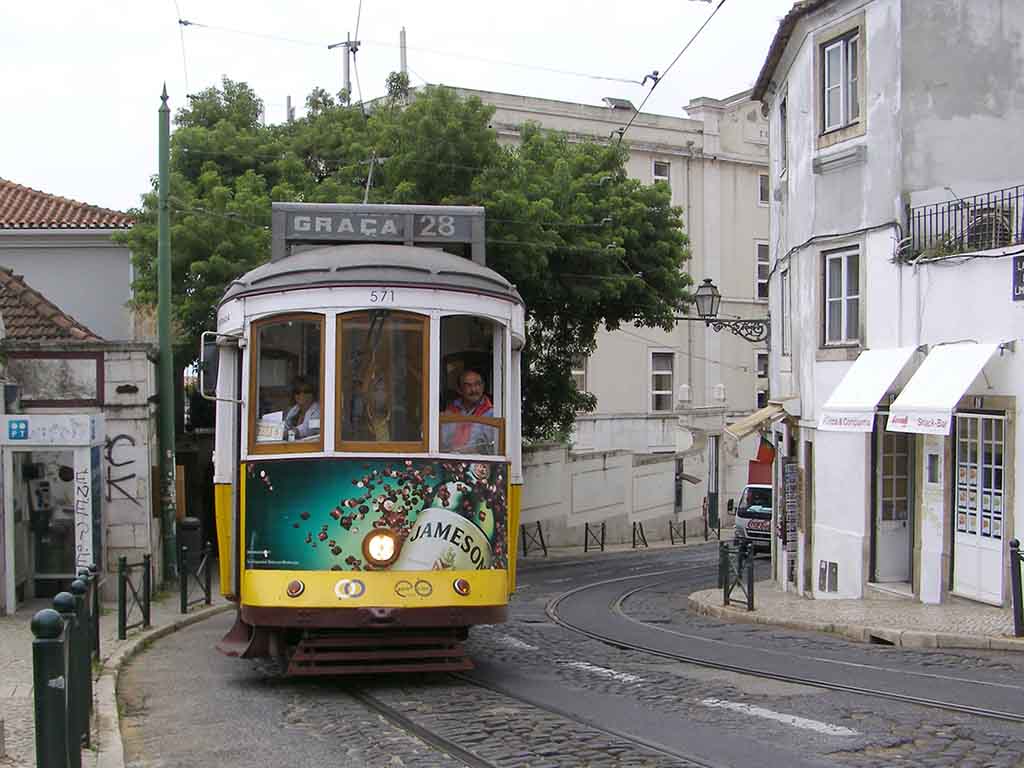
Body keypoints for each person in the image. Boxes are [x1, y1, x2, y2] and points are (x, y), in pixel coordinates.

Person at [443, 369, 494, 452]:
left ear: (483, 386)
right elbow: (441, 443)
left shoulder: (492, 413)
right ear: (459, 389)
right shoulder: (450, 411)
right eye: (468, 385)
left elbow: (489, 447)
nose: (474, 389)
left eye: (477, 384)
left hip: (479, 462)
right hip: (448, 461)